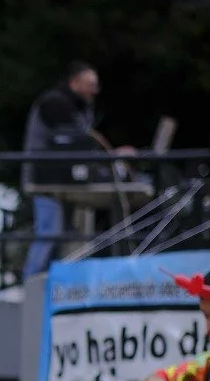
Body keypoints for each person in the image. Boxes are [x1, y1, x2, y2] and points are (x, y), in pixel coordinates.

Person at [21, 61, 134, 278]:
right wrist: (108, 156)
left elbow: (84, 145)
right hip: (45, 181)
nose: (94, 90)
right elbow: (75, 144)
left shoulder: (80, 108)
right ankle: (31, 283)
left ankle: (53, 283)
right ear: (75, 83)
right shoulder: (55, 103)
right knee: (49, 232)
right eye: (90, 84)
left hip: (66, 183)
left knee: (65, 234)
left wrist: (108, 156)